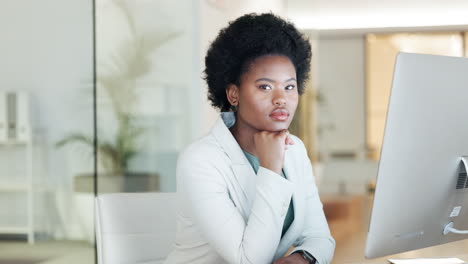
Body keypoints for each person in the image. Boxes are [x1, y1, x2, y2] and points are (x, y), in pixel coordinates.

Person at [164, 13, 335, 264]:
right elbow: (248, 260)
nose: (281, 98)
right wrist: (271, 168)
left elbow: (320, 238)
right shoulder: (200, 160)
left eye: (289, 86)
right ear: (234, 94)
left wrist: (297, 260)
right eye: (265, 87)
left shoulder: (294, 149)